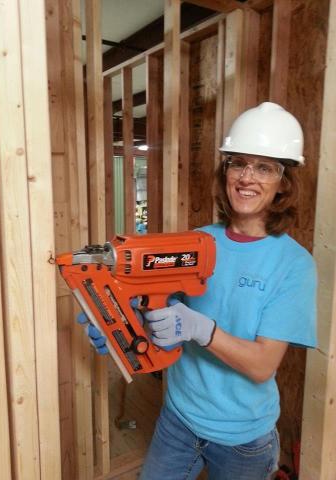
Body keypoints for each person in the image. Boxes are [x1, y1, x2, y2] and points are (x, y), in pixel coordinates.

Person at [78, 102, 317, 479]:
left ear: (284, 182)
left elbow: (262, 365)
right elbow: (168, 328)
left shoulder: (294, 265)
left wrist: (200, 329)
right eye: (238, 162)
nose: (246, 177)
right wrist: (121, 326)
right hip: (178, 419)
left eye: (264, 167)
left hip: (243, 439)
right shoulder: (197, 241)